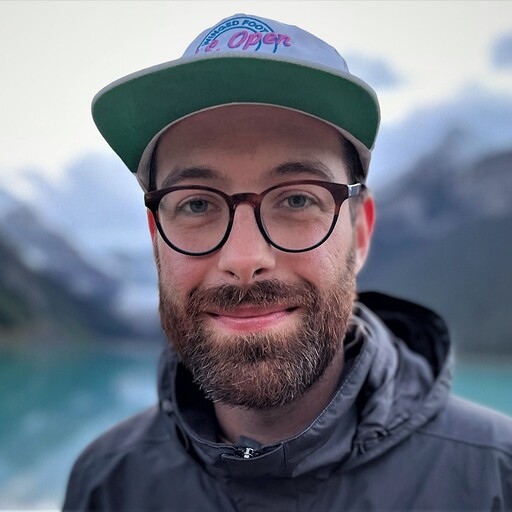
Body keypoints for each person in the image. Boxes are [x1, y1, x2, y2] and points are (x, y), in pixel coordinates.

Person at [63, 13, 512, 511]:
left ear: (360, 233)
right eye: (196, 204)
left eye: (297, 199)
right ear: (155, 238)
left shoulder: (496, 478)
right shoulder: (108, 484)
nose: (245, 259)